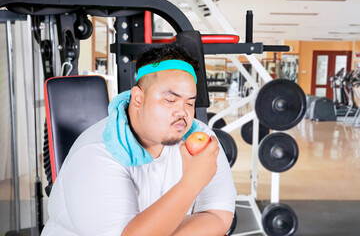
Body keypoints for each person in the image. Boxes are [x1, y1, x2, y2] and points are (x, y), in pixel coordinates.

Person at [41, 43, 237, 236]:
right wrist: (192, 181)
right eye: (170, 100)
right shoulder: (95, 153)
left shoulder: (201, 138)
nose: (183, 112)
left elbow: (219, 216)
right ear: (137, 98)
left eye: (189, 102)